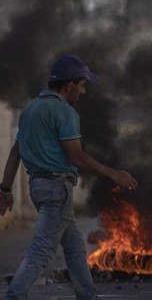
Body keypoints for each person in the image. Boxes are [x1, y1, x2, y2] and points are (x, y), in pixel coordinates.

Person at [0, 54, 138, 300]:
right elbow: (76, 157)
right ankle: (14, 296)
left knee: (74, 247)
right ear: (68, 84)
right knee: (42, 250)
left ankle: (87, 295)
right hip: (56, 187)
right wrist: (113, 173)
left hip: (38, 187)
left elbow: (14, 153)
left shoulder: (30, 109)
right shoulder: (65, 112)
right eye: (82, 85)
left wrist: (6, 189)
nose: (83, 92)